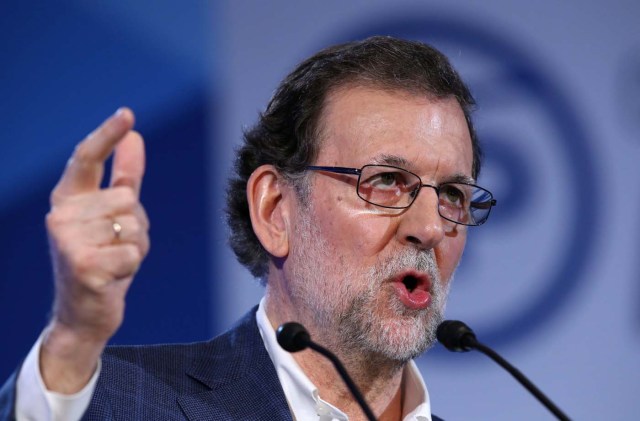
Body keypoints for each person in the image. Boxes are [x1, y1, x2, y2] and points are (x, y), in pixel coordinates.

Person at [0, 36, 495, 420]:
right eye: (387, 181)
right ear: (275, 208)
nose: (430, 227)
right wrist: (72, 338)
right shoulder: (123, 400)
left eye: (452, 194)